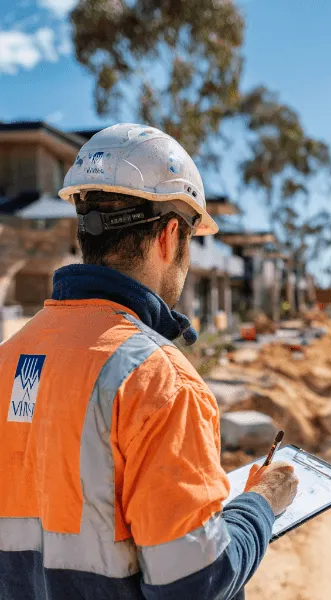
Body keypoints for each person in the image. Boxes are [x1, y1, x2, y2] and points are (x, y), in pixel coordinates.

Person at [0, 124, 299, 600]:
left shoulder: (10, 359)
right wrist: (261, 505)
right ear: (170, 236)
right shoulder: (160, 380)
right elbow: (194, 582)